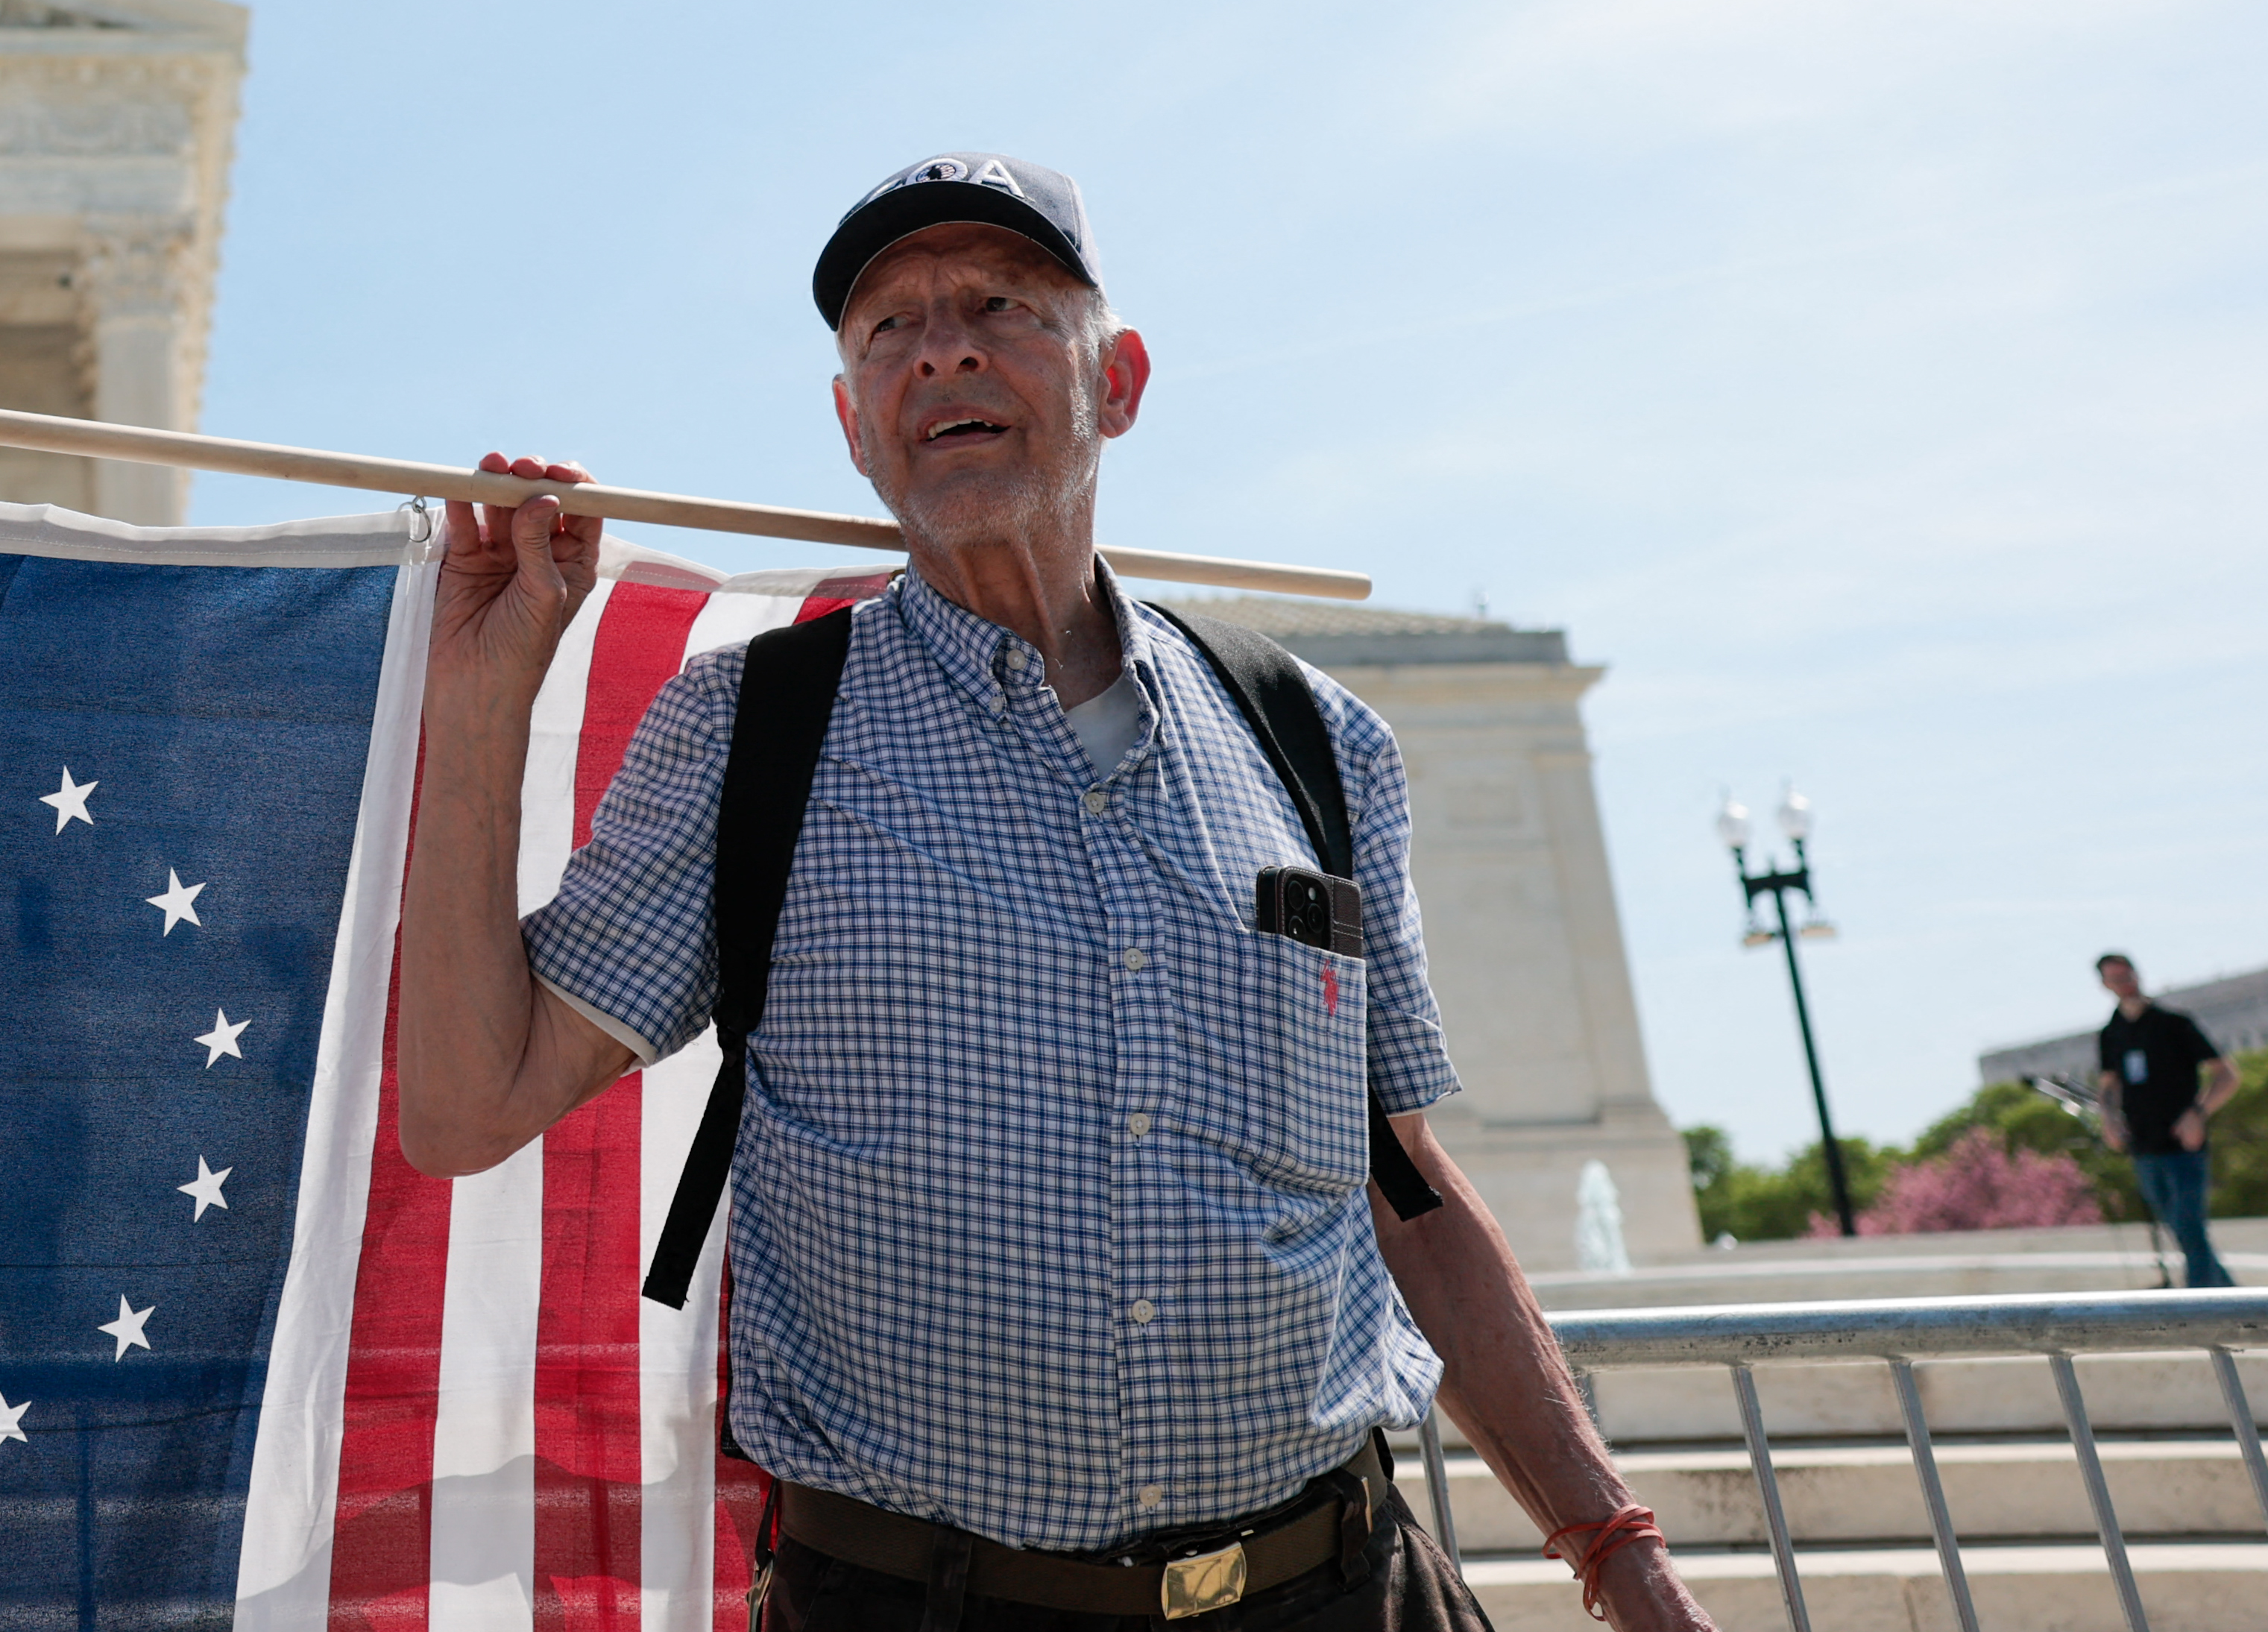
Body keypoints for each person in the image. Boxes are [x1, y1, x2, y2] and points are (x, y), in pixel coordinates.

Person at [401, 154, 1716, 1632]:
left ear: (1120, 380)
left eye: (1002, 305)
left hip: (1341, 1584)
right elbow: (467, 1105)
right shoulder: (750, 732)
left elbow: (1407, 1192)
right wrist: (483, 694)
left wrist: (1619, 1548)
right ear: (853, 423)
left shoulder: (1316, 741)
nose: (942, 347)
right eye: (888, 329)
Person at [2093, 954, 2239, 1288]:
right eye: (2114, 978)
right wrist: (2110, 1121)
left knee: (2190, 1227)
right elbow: (2109, 1087)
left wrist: (2197, 1114)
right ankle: (2236, 1300)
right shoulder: (2111, 1033)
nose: (2123, 983)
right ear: (2104, 985)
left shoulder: (2173, 1023)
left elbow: (2226, 1075)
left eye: (2126, 974)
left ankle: (2204, 1308)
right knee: (2182, 1232)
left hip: (2183, 1146)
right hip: (2144, 1147)